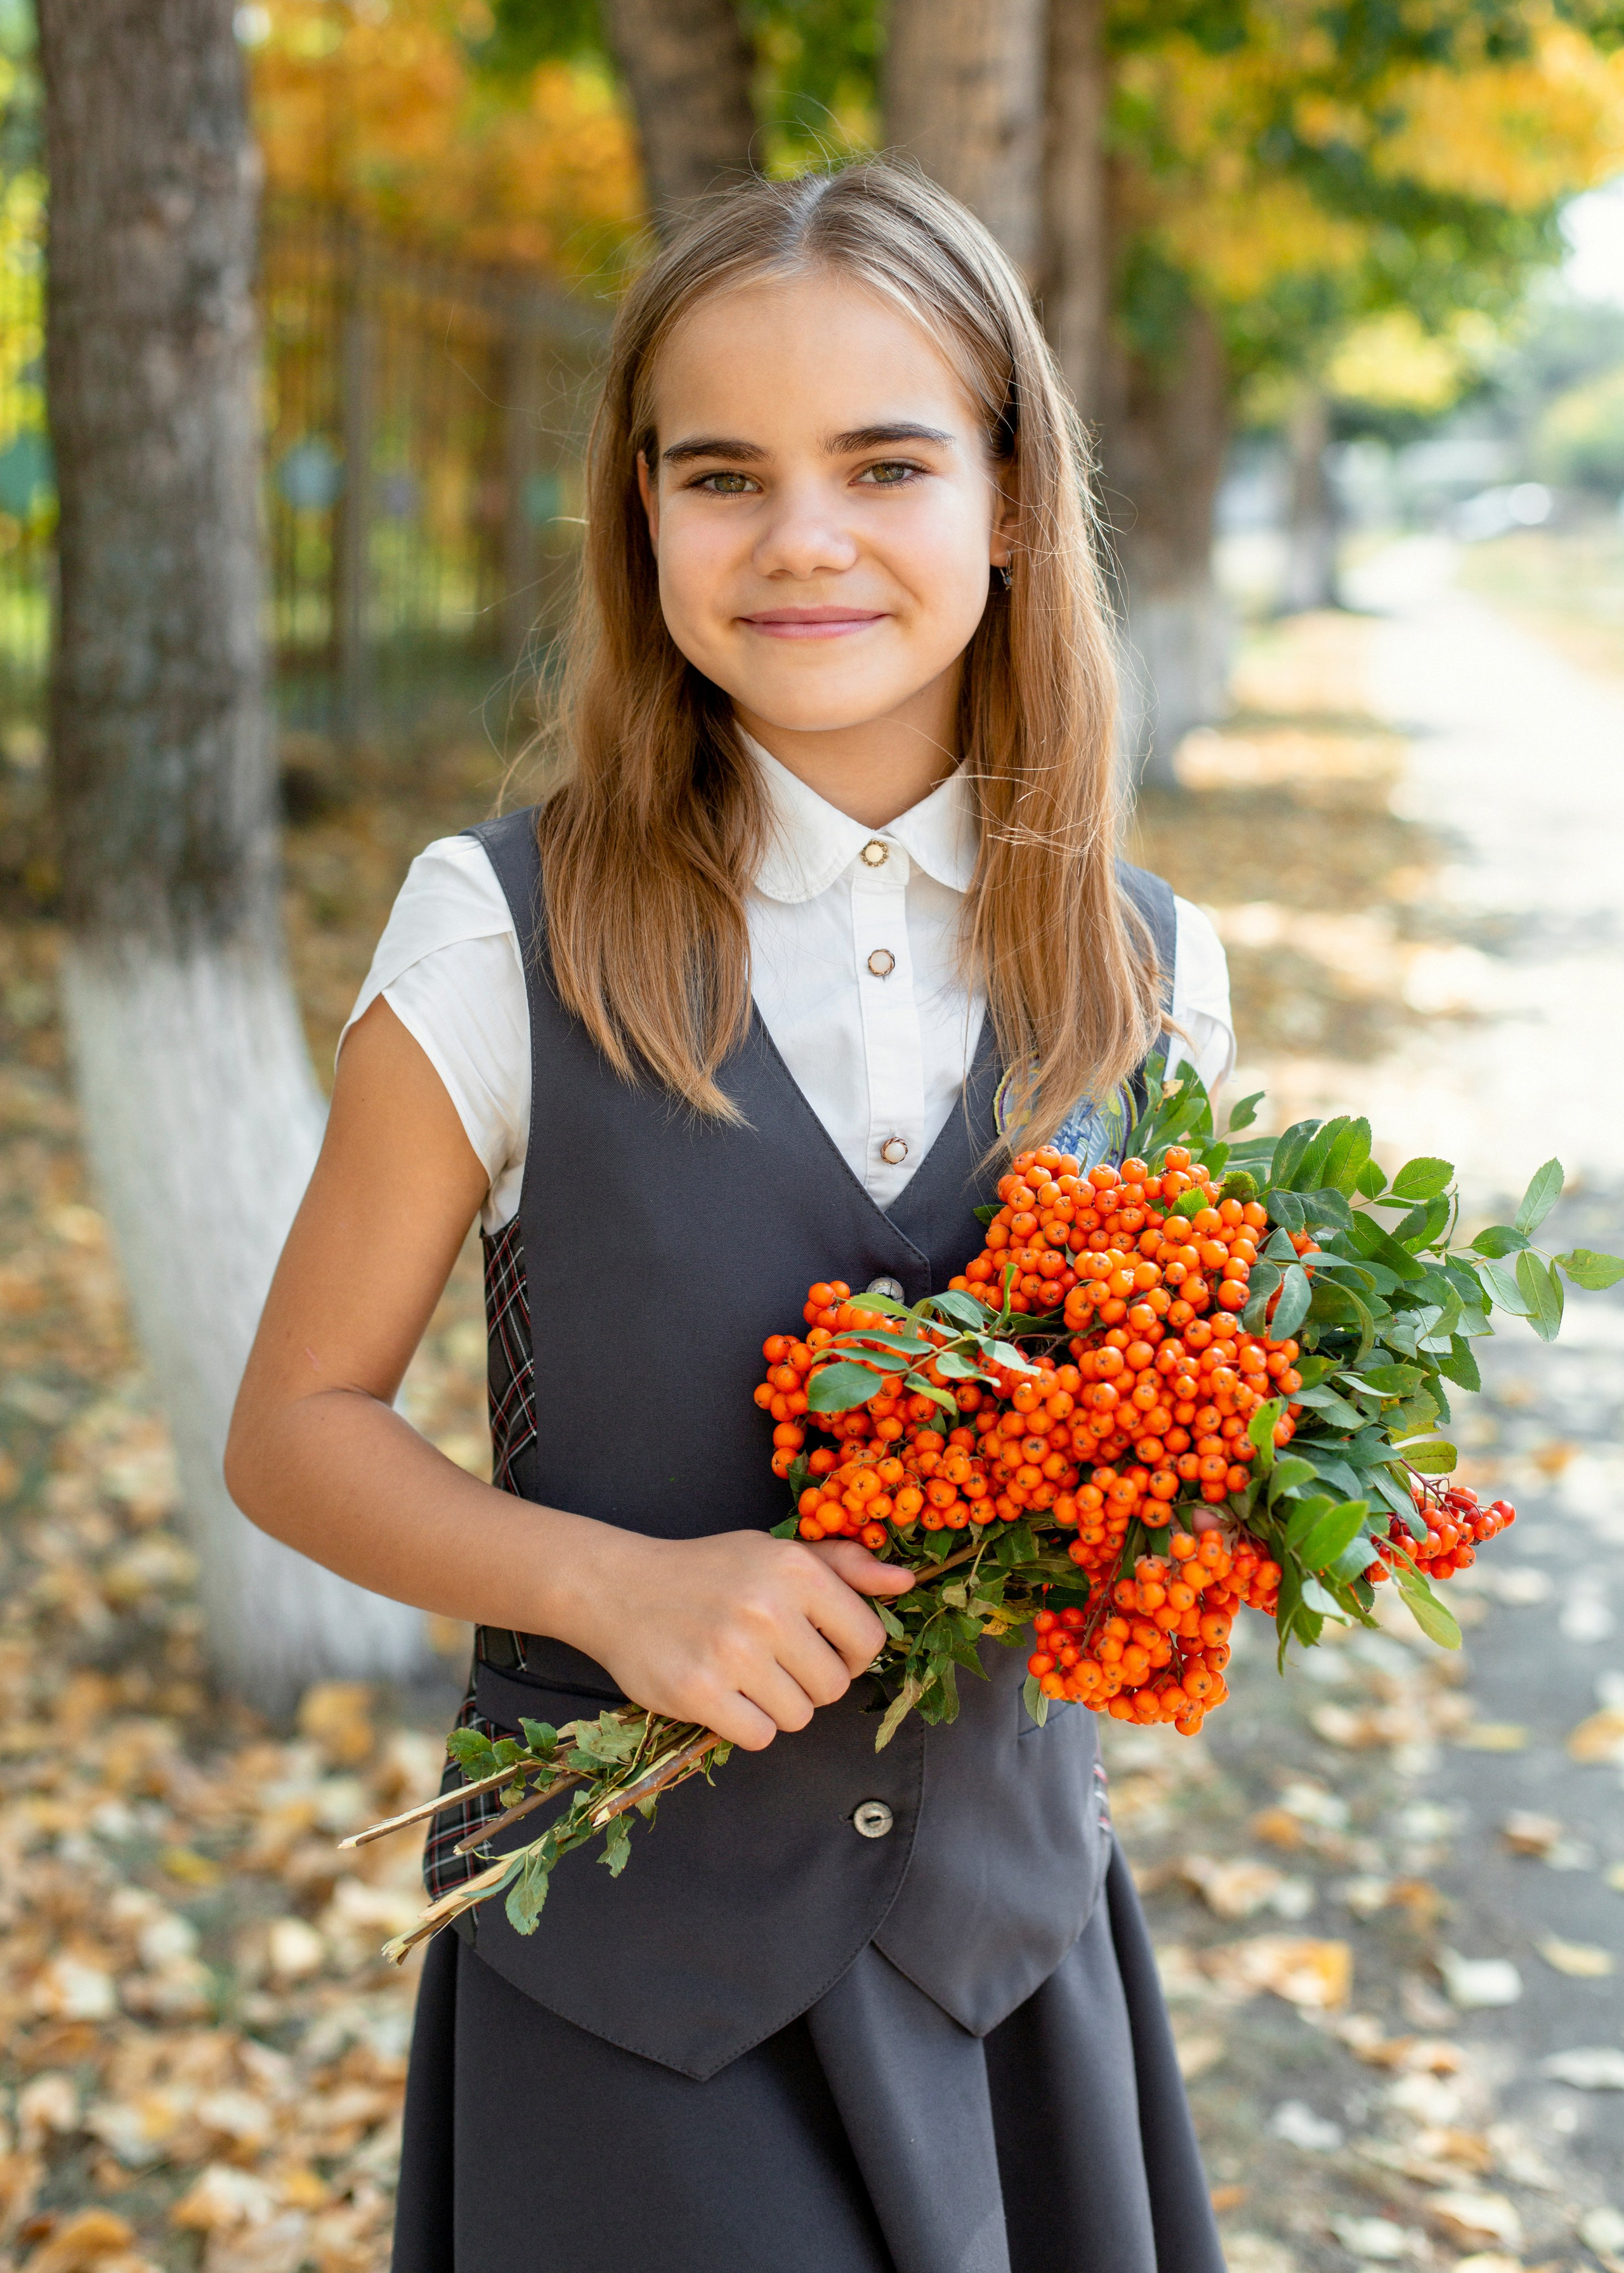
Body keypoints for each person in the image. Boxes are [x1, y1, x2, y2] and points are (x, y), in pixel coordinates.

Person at [227, 159, 1236, 2273]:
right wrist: (610, 1587)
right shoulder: (499, 929)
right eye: (722, 476)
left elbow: (1172, 1449)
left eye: (886, 463)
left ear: (1012, 498)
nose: (802, 539)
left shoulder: (1149, 966)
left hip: (1009, 1968)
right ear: (642, 514)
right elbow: (294, 1430)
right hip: (630, 2001)